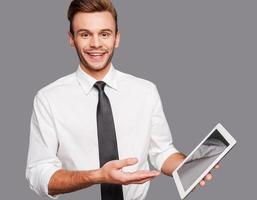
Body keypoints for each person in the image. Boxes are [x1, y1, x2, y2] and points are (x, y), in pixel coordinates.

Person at [26, 0, 219, 199]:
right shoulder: (48, 98)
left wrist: (186, 167)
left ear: (117, 38)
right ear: (71, 39)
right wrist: (97, 176)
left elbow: (162, 151)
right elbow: (38, 175)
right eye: (85, 34)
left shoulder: (146, 91)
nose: (96, 43)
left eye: (105, 34)